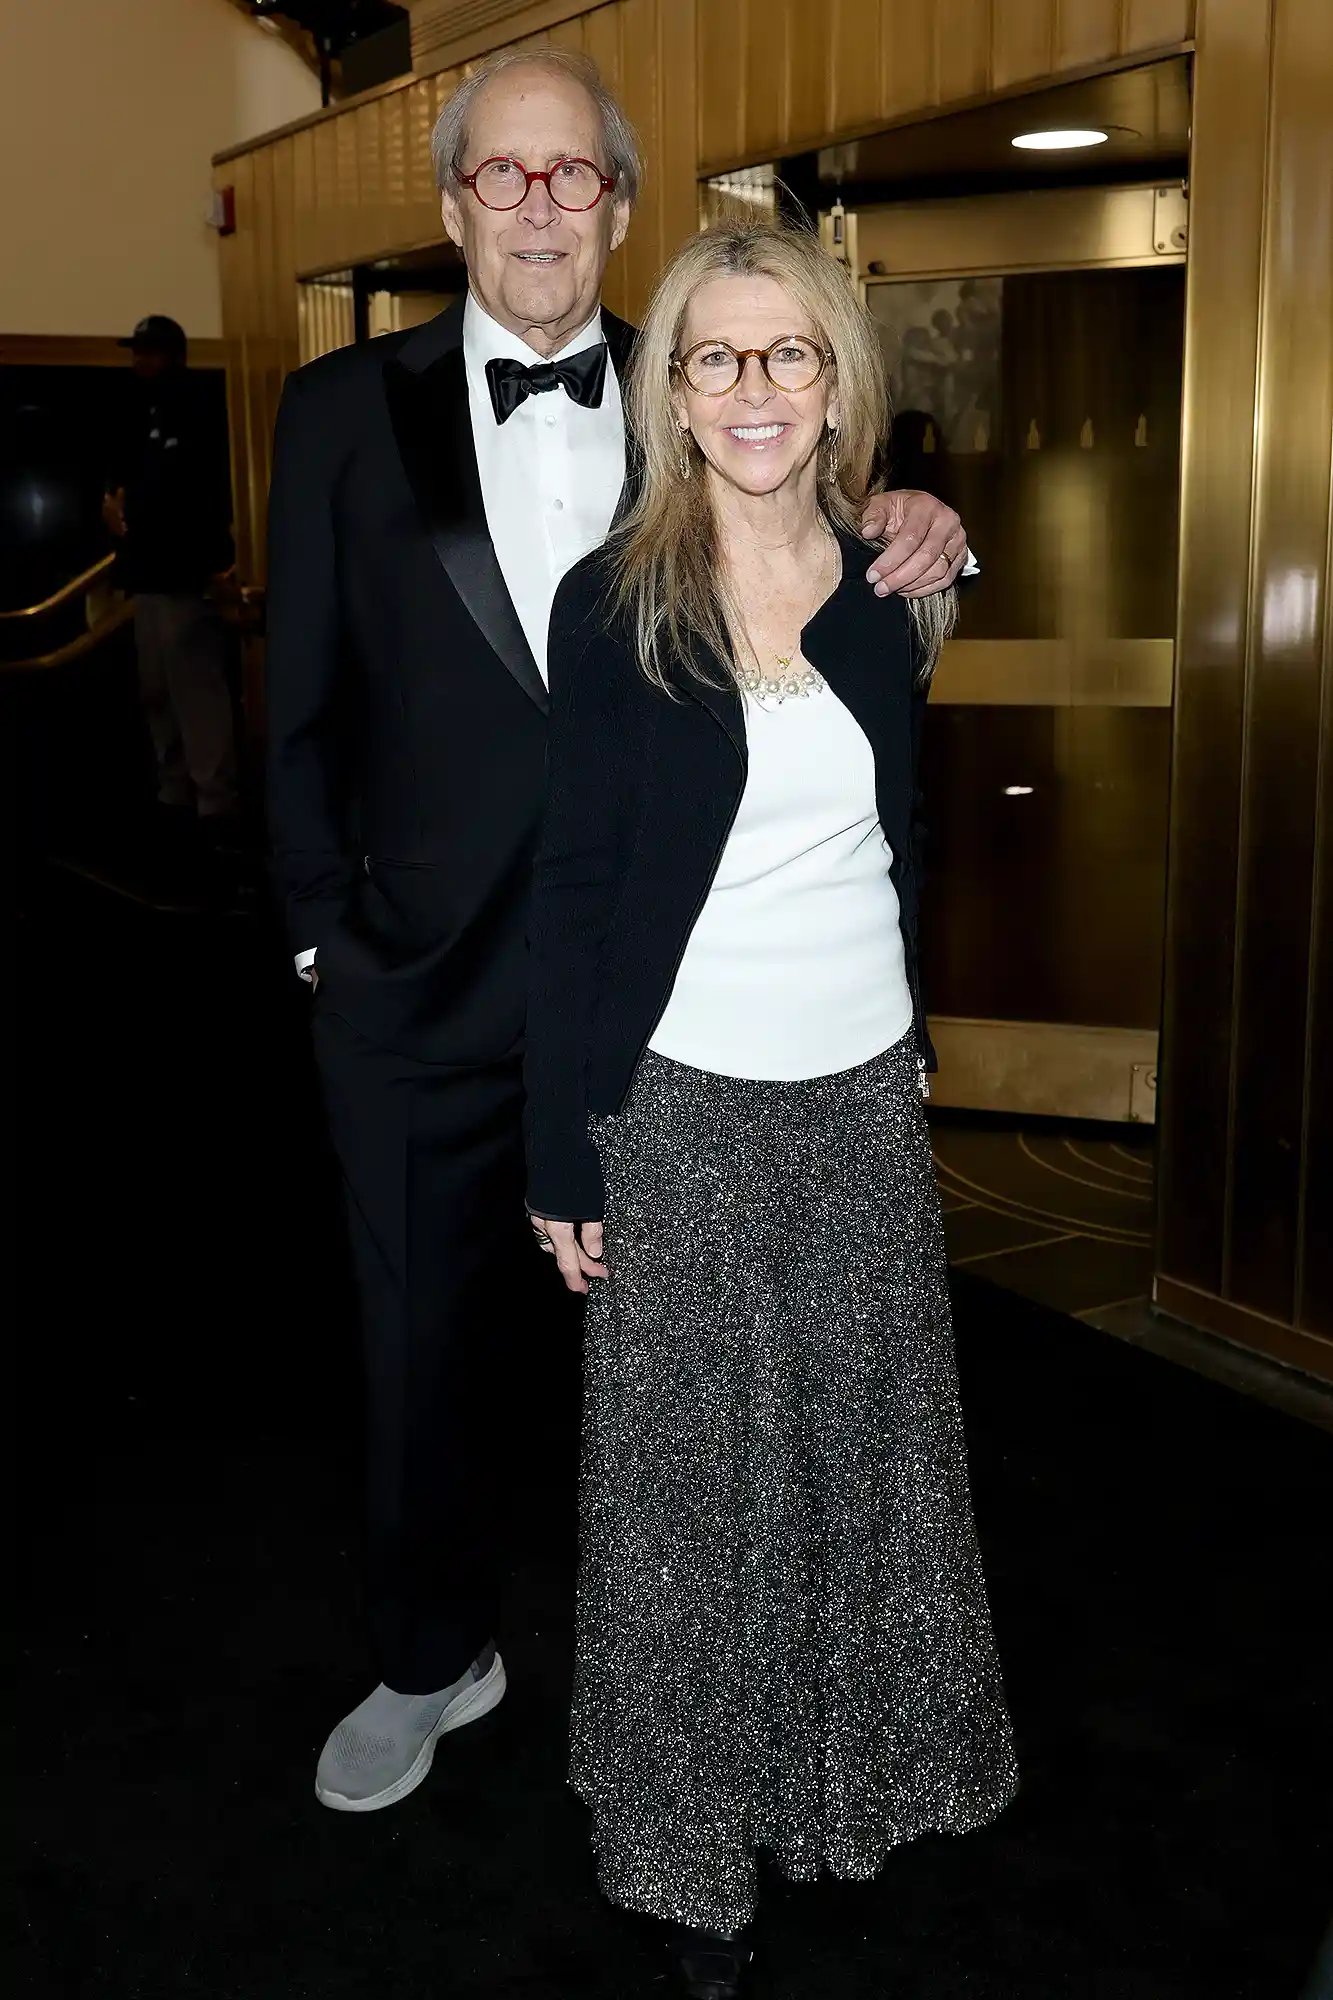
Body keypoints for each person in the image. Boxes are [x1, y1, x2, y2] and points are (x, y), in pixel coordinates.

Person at [265, 46, 972, 1816]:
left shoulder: (709, 390)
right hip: (420, 980)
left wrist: (918, 526)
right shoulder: (342, 410)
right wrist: (315, 941)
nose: (536, 206)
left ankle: (694, 1694)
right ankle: (431, 1659)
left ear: (618, 205)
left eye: (570, 174)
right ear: (447, 208)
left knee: (683, 1392)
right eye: (499, 176)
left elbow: (822, 529)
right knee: (418, 1345)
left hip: (677, 994)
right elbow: (298, 706)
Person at [524, 220, 1017, 1997]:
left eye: (784, 354)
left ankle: (852, 1780)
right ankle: (680, 1841)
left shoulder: (899, 580)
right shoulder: (613, 602)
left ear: (834, 385)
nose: (749, 387)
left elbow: (900, 837)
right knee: (687, 1505)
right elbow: (571, 890)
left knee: (862, 1461)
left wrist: (914, 1046)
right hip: (681, 1110)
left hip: (862, 1100)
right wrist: (553, 1153)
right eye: (713, 357)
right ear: (671, 391)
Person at [104, 315, 239, 831]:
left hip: (185, 577)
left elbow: (196, 498)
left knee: (195, 692)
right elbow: (129, 482)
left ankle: (214, 806)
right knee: (159, 691)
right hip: (149, 576)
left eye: (148, 351)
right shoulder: (144, 408)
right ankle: (176, 792)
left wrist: (215, 570)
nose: (139, 361)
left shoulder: (195, 406)